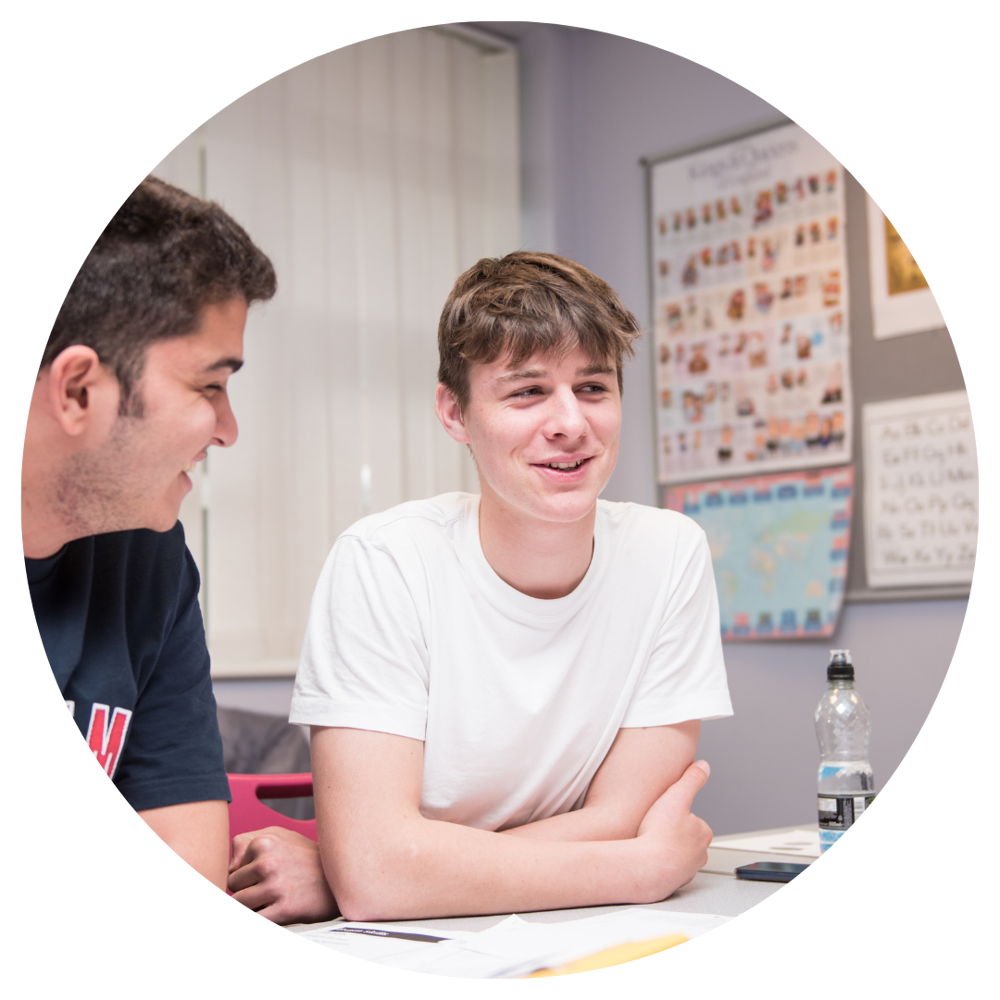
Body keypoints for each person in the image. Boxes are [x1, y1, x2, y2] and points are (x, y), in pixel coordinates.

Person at [228, 252, 732, 923]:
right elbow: (379, 878)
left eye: (592, 388)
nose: (571, 423)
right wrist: (638, 867)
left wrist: (372, 869)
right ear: (455, 413)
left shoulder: (669, 553)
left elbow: (622, 814)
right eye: (527, 392)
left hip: (574, 929)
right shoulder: (385, 563)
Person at [21, 175, 276, 892]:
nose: (228, 431)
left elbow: (186, 848)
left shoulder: (147, 553)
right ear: (78, 391)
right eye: (209, 386)